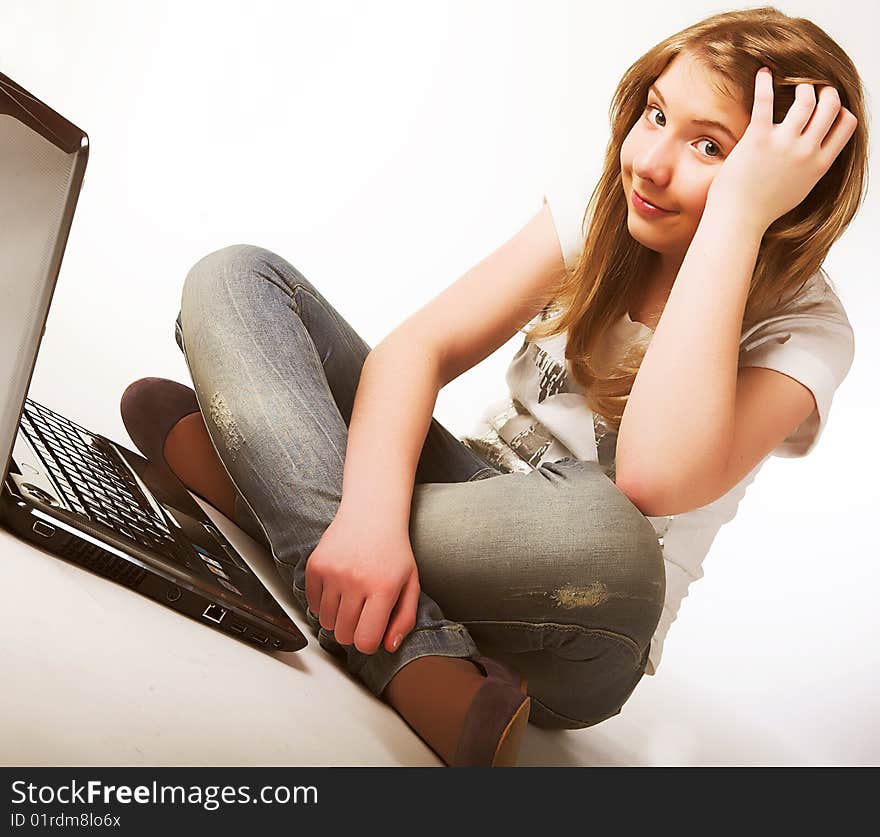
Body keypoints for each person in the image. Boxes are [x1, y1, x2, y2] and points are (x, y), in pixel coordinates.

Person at [119, 6, 867, 767]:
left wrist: (736, 217)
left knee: (606, 532)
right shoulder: (611, 204)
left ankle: (264, 488)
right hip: (459, 497)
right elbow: (418, 349)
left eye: (711, 146)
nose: (650, 162)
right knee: (238, 277)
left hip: (580, 606)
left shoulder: (806, 330)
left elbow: (651, 477)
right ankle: (407, 653)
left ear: (789, 186)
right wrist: (370, 519)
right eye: (655, 114)